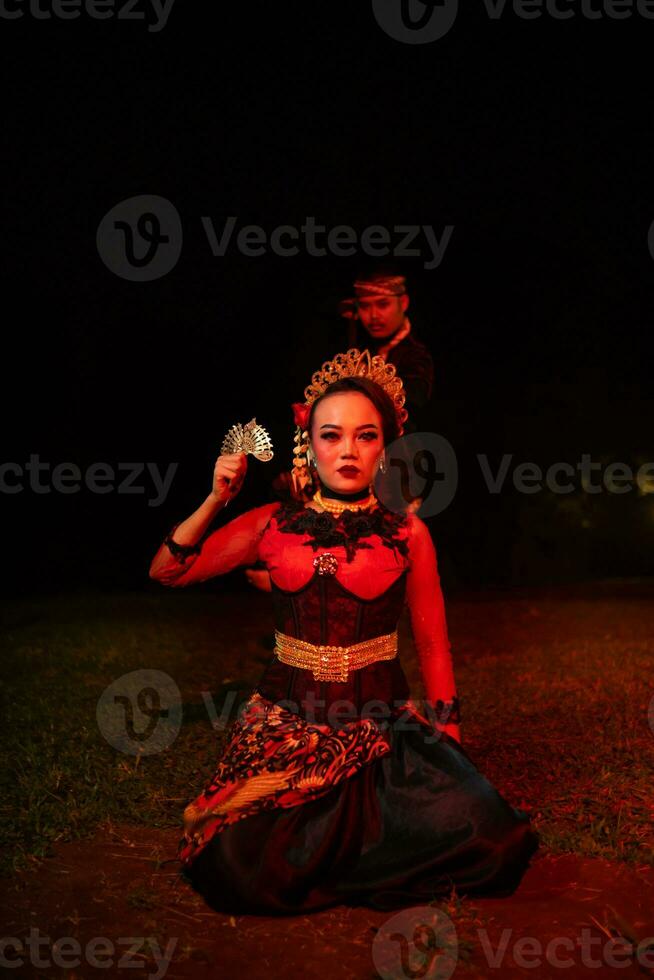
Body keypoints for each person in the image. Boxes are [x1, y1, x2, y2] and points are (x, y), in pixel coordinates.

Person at [149, 348, 539, 914]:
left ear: (386, 447)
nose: (348, 451)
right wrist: (216, 498)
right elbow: (167, 571)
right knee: (242, 870)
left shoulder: (408, 533)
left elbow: (432, 643)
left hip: (383, 731)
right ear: (308, 441)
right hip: (287, 729)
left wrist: (450, 745)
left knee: (492, 839)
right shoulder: (271, 525)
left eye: (366, 436)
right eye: (332, 435)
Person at [339, 270, 434, 431]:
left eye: (383, 304)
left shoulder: (418, 352)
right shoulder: (358, 347)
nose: (373, 315)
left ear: (403, 303)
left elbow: (416, 400)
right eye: (364, 306)